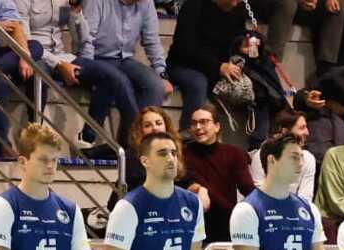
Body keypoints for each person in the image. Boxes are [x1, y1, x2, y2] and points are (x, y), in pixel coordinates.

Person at [18, 0, 126, 147]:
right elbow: (25, 42)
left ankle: (87, 137)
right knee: (40, 74)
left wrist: (76, 11)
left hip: (62, 54)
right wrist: (59, 65)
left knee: (111, 76)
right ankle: (34, 135)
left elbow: (81, 40)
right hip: (36, 55)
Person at [78, 0, 172, 143]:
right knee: (120, 81)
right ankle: (136, 142)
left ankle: (130, 143)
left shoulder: (146, 3)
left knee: (156, 86)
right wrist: (91, 71)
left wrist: (161, 73)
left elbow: (152, 40)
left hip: (125, 59)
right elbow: (86, 38)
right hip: (96, 58)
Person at [165, 0, 247, 130]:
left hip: (220, 65)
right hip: (185, 64)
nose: (236, 3)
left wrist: (243, 46)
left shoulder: (239, 8)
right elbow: (184, 46)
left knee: (254, 83)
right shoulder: (194, 6)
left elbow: (239, 36)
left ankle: (260, 139)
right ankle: (189, 134)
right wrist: (218, 66)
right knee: (198, 84)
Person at [183, 103, 257, 244]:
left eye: (204, 122)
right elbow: (186, 181)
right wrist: (199, 188)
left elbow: (248, 188)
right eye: (194, 123)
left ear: (217, 126)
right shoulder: (183, 153)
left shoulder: (234, 154)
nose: (198, 127)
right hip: (193, 226)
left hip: (226, 224)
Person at [0, 0, 42, 160]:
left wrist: (24, 56)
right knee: (2, 82)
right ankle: (3, 148)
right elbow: (2, 27)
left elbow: (15, 26)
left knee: (35, 47)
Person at [253, 0, 344, 78]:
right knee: (288, 3)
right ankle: (269, 64)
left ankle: (325, 71)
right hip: (272, 4)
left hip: (304, 7)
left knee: (338, 4)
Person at [246, 110, 317, 201]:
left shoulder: (308, 159)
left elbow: (306, 198)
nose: (307, 132)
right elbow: (259, 193)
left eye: (306, 127)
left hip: (295, 210)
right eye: (302, 128)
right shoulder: (261, 155)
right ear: (285, 131)